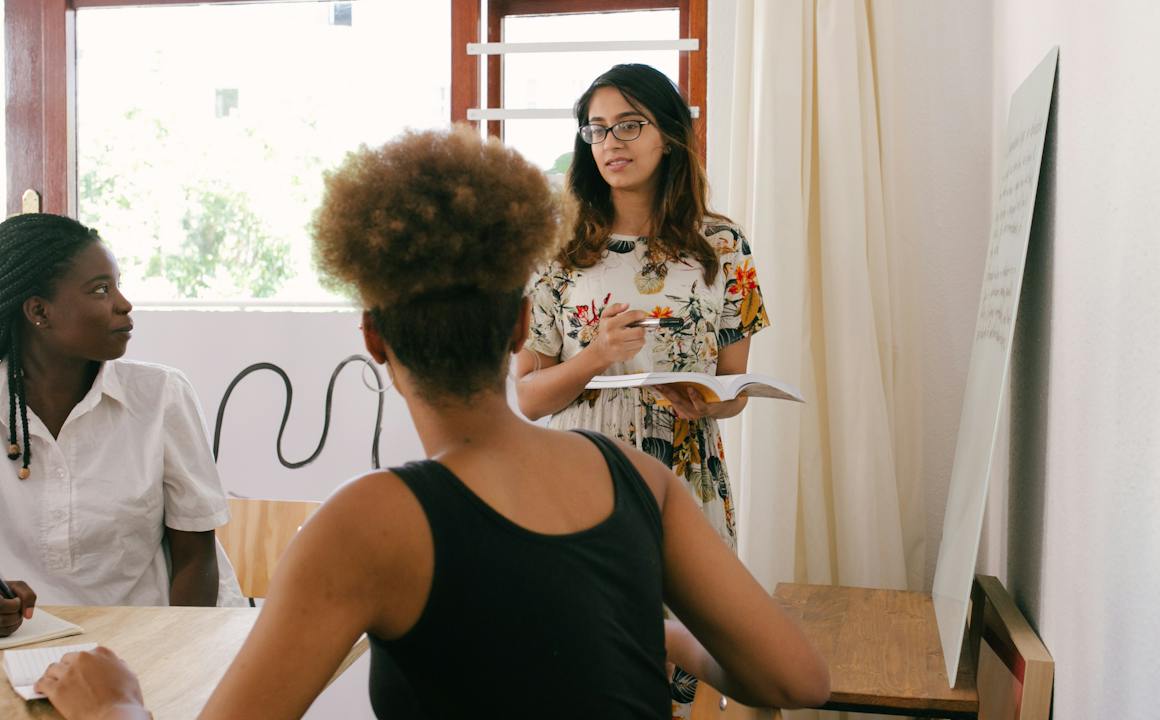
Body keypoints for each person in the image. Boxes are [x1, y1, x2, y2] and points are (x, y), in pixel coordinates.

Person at [34, 127, 828, 719]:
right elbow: (798, 681)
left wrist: (113, 706)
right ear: (522, 328)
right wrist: (672, 641)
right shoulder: (636, 478)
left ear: (374, 339)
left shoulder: (368, 522)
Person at [513, 62, 769, 709]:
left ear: (670, 135)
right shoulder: (558, 250)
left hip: (687, 477)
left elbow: (734, 388)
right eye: (597, 129)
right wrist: (595, 356)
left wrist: (710, 399)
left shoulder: (722, 244)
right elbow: (529, 396)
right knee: (581, 678)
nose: (611, 143)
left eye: (630, 124)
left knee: (679, 681)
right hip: (579, 481)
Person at [0, 213, 236, 609]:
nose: (124, 305)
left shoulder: (161, 397)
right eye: (100, 290)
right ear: (39, 312)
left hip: (150, 643)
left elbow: (196, 560)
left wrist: (172, 663)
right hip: (22, 648)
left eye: (117, 286)